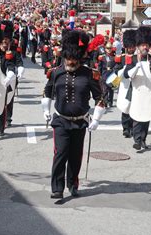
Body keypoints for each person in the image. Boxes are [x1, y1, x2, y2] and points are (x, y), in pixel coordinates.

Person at [41, 29, 105, 199]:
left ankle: (73, 184)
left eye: (74, 59)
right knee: (60, 153)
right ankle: (57, 187)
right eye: (68, 58)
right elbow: (47, 92)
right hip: (61, 120)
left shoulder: (90, 74)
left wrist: (97, 118)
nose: (71, 62)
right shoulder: (55, 72)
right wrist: (46, 110)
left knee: (76, 156)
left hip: (80, 121)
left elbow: (100, 97)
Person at [122, 26, 151, 151]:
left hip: (149, 92)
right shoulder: (133, 59)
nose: (145, 47)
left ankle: (143, 139)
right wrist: (137, 66)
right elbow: (126, 74)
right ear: (138, 46)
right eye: (142, 45)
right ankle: (137, 140)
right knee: (135, 116)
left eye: (147, 45)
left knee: (146, 117)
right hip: (136, 92)